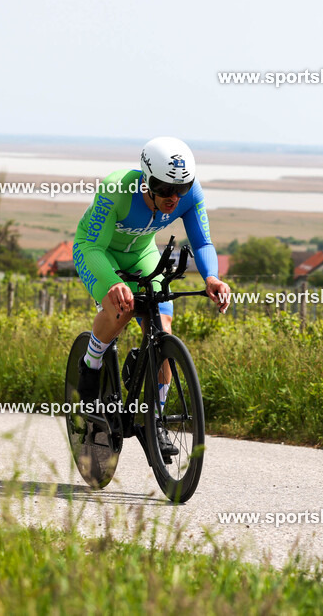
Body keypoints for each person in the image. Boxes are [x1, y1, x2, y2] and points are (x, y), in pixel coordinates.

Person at [72, 137, 230, 459]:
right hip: (97, 253)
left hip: (142, 253)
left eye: (181, 189)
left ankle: (152, 419)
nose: (173, 198)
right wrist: (113, 283)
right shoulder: (117, 188)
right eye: (164, 188)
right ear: (146, 180)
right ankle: (91, 362)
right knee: (122, 307)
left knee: (164, 327)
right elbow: (92, 247)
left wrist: (211, 277)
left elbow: (202, 243)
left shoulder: (189, 193)